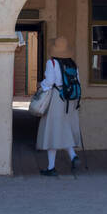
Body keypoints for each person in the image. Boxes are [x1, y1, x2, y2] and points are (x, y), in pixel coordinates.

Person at [36, 36, 83, 176]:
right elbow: (78, 82)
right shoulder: (73, 64)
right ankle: (73, 156)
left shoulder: (52, 63)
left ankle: (51, 168)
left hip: (57, 98)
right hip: (71, 100)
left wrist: (41, 86)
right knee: (64, 128)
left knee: (53, 130)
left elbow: (49, 82)